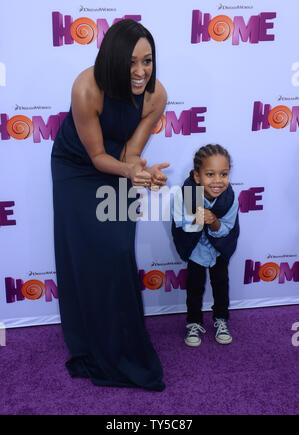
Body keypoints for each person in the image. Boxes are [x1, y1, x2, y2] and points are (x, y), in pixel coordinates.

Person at [51, 19, 169, 391]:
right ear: (112, 60)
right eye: (131, 62)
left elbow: (130, 153)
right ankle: (91, 344)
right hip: (77, 168)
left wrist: (142, 173)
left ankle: (124, 347)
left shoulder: (155, 95)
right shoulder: (87, 87)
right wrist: (131, 172)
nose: (140, 72)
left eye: (147, 61)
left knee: (118, 251)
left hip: (117, 165)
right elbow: (97, 155)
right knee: (87, 255)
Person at [171, 144, 239, 347]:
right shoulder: (185, 195)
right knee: (194, 288)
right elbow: (180, 223)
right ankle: (193, 322)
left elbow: (227, 228)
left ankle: (220, 319)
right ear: (197, 176)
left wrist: (214, 221)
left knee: (221, 285)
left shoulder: (229, 198)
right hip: (196, 250)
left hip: (219, 250)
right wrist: (197, 219)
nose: (218, 181)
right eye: (210, 174)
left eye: (224, 174)